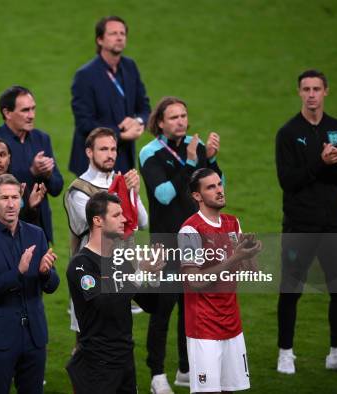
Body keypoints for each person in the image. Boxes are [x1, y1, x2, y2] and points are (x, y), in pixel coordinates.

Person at [138, 96, 222, 393]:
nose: (181, 121)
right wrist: (188, 162)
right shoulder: (150, 152)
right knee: (164, 308)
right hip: (166, 244)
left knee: (193, 308)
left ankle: (186, 368)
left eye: (184, 115)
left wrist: (209, 158)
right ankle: (156, 374)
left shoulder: (196, 146)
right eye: (173, 117)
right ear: (160, 122)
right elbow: (162, 194)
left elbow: (216, 189)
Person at [275, 69, 337, 374]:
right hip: (300, 224)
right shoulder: (288, 133)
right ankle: (285, 352)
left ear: (325, 92)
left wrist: (330, 164)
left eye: (316, 89)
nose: (311, 94)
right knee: (291, 289)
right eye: (305, 89)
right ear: (299, 93)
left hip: (335, 224)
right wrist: (321, 162)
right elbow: (288, 181)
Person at [0, 174, 59, 394]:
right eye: (4, 198)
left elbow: (52, 285)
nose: (10, 204)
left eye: (15, 197)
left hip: (34, 337)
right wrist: (18, 272)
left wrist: (45, 273)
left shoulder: (36, 234)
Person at [66, 191, 164, 394]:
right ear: (97, 220)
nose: (125, 219)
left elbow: (152, 305)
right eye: (116, 215)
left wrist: (153, 275)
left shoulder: (121, 260)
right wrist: (140, 273)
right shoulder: (81, 265)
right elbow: (103, 303)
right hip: (97, 365)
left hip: (125, 360)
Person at [178, 168, 262, 393]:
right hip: (203, 327)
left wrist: (249, 256)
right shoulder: (190, 230)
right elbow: (193, 281)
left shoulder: (232, 223)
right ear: (197, 196)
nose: (219, 190)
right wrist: (235, 257)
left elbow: (250, 273)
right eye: (211, 187)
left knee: (229, 389)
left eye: (219, 184)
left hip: (232, 324)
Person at [64, 127, 149, 332]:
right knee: (86, 340)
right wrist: (124, 195)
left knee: (119, 337)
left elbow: (143, 222)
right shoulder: (79, 191)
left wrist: (134, 193)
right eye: (103, 149)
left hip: (122, 272)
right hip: (92, 272)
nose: (110, 154)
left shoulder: (121, 181)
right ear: (89, 152)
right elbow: (100, 227)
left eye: (113, 149)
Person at [69, 15, 150, 177]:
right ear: (100, 40)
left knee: (123, 202)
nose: (119, 37)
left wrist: (137, 121)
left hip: (124, 158)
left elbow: (145, 107)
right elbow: (84, 123)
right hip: (93, 163)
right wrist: (120, 134)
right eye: (113, 34)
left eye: (122, 33)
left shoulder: (130, 67)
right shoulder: (85, 76)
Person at [0, 86, 63, 243]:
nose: (31, 115)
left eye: (33, 109)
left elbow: (57, 188)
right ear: (7, 113)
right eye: (25, 110)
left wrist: (47, 175)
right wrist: (32, 172)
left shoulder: (42, 139)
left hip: (39, 229)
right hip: (8, 230)